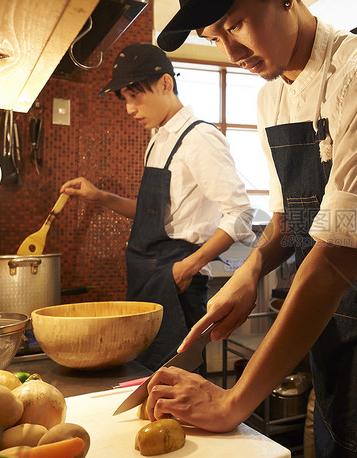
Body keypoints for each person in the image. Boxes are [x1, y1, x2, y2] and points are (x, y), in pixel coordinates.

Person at [146, 2, 357, 457]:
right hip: (331, 312)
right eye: (214, 38)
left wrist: (234, 401)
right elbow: (292, 219)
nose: (232, 52)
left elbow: (337, 252)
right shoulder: (271, 95)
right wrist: (249, 271)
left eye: (235, 26)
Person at [60, 43, 254, 371]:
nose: (129, 108)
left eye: (135, 96)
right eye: (124, 98)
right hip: (146, 276)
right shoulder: (158, 138)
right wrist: (101, 197)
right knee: (145, 377)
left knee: (178, 382)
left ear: (165, 84)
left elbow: (240, 213)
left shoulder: (199, 138)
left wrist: (187, 268)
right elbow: (154, 214)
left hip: (176, 280)